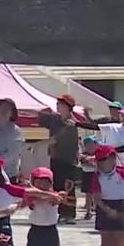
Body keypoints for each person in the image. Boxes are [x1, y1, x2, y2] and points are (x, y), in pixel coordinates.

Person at [38, 94, 82, 224]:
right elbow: (40, 115)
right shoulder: (54, 119)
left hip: (68, 160)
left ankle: (69, 213)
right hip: (56, 158)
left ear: (68, 108)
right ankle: (60, 212)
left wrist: (38, 145)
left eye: (61, 104)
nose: (58, 106)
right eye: (58, 104)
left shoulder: (71, 124)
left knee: (68, 187)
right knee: (56, 185)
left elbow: (56, 139)